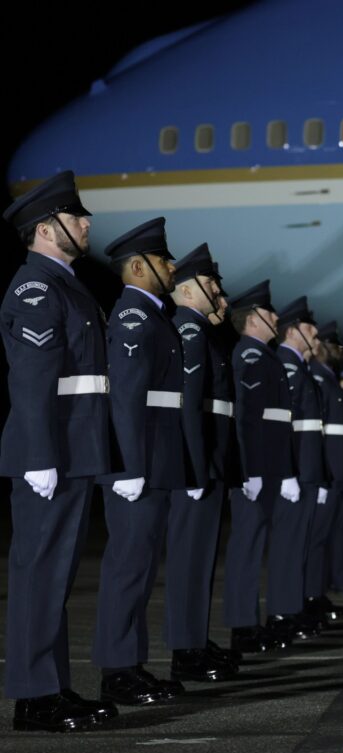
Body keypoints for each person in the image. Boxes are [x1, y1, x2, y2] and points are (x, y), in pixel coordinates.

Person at [1, 172, 117, 731]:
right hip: (51, 452)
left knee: (56, 575)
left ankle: (52, 687)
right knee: (39, 573)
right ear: (46, 229)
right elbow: (31, 380)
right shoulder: (37, 289)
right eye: (75, 216)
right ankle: (34, 698)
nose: (86, 222)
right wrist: (39, 456)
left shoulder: (65, 285)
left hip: (74, 448)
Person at [93, 218, 189, 707]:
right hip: (139, 463)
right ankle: (117, 671)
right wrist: (129, 467)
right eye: (163, 260)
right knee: (128, 567)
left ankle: (130, 665)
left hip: (154, 458)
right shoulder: (134, 315)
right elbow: (126, 397)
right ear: (137, 267)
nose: (172, 267)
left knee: (142, 567)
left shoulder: (152, 314)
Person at [165, 243, 239, 681]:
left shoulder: (202, 330)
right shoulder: (189, 331)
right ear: (190, 290)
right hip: (198, 464)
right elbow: (189, 406)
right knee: (189, 558)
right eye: (211, 284)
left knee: (201, 558)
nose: (219, 293)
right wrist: (193, 467)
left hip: (209, 460)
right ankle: (185, 648)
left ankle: (194, 639)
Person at [222, 280, 292, 654]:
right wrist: (250, 470)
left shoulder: (265, 356)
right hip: (255, 470)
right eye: (269, 313)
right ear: (252, 319)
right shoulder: (249, 356)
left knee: (255, 545)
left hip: (267, 469)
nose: (276, 318)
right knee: (246, 547)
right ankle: (241, 626)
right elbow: (246, 420)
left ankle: (249, 622)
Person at [269, 296, 327, 639]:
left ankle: (291, 607)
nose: (315, 334)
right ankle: (281, 611)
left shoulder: (298, 366)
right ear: (292, 332)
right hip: (296, 470)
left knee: (298, 544)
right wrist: (287, 472)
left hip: (307, 469)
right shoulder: (287, 367)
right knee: (287, 545)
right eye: (309, 328)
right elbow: (283, 428)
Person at [309, 320, 343, 622]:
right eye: (333, 344)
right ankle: (309, 597)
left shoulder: (327, 376)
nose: (339, 349)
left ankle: (316, 594)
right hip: (325, 471)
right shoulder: (317, 376)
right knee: (314, 539)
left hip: (335, 471)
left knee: (323, 538)